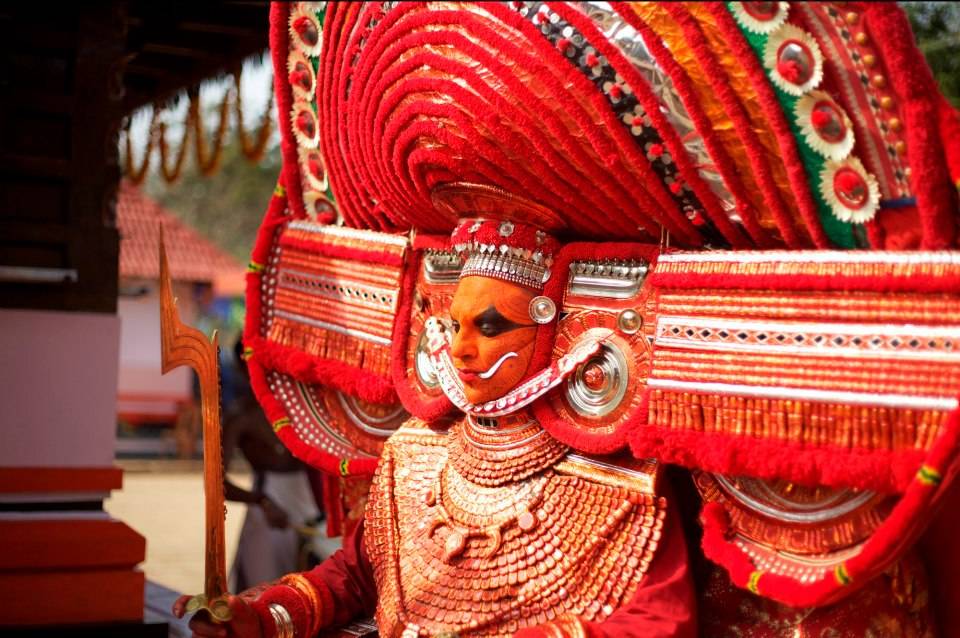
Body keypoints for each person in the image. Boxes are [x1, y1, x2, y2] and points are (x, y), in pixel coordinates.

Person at [224, 338, 325, 591]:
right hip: (267, 508)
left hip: (311, 507)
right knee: (265, 593)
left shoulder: (299, 407)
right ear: (241, 366)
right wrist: (263, 502)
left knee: (314, 593)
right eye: (250, 364)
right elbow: (216, 485)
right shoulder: (240, 416)